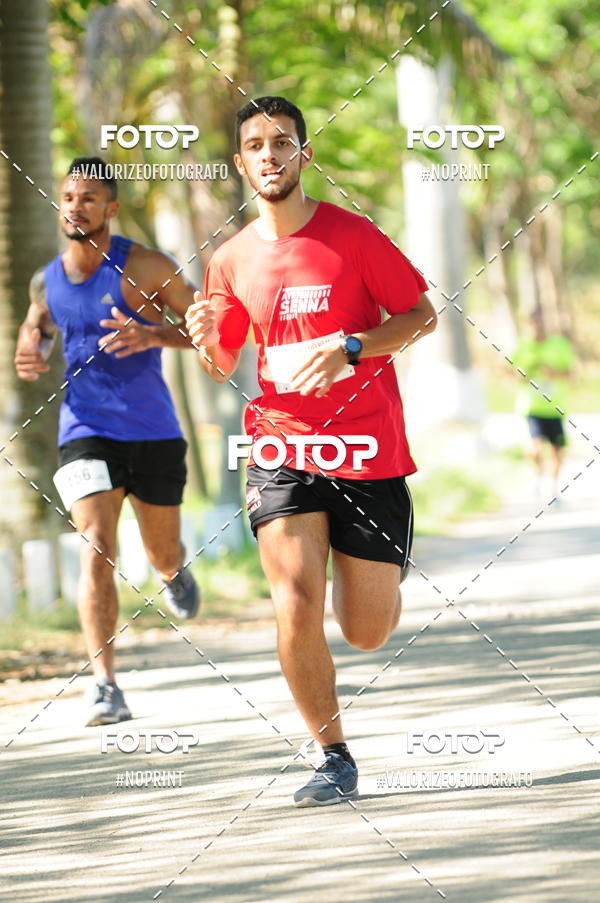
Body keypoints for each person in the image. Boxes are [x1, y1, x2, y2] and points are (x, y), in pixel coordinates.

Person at [185, 96, 437, 807]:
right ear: (240, 164)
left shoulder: (354, 237)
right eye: (256, 145)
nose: (270, 154)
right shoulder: (229, 259)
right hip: (281, 449)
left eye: (283, 142)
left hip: (367, 450)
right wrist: (205, 339)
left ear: (305, 154)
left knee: (364, 630)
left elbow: (421, 316)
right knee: (294, 602)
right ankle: (333, 754)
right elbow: (221, 357)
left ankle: (371, 577)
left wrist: (351, 346)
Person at [14, 157, 200, 727]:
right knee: (95, 545)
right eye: (69, 197)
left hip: (153, 431)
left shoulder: (146, 266)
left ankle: (172, 571)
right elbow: (39, 324)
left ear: (111, 209)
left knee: (160, 551)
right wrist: (31, 349)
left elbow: (211, 328)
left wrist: (152, 334)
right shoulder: (46, 279)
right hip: (84, 430)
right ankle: (105, 685)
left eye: (90, 198)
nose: (76, 207)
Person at [513, 310, 575, 497]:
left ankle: (554, 489)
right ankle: (538, 474)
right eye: (534, 323)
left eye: (541, 322)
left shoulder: (560, 344)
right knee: (535, 447)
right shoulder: (523, 346)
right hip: (532, 407)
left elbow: (571, 373)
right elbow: (506, 370)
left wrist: (553, 373)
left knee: (557, 450)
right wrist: (522, 377)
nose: (538, 327)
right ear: (529, 324)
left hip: (555, 407)